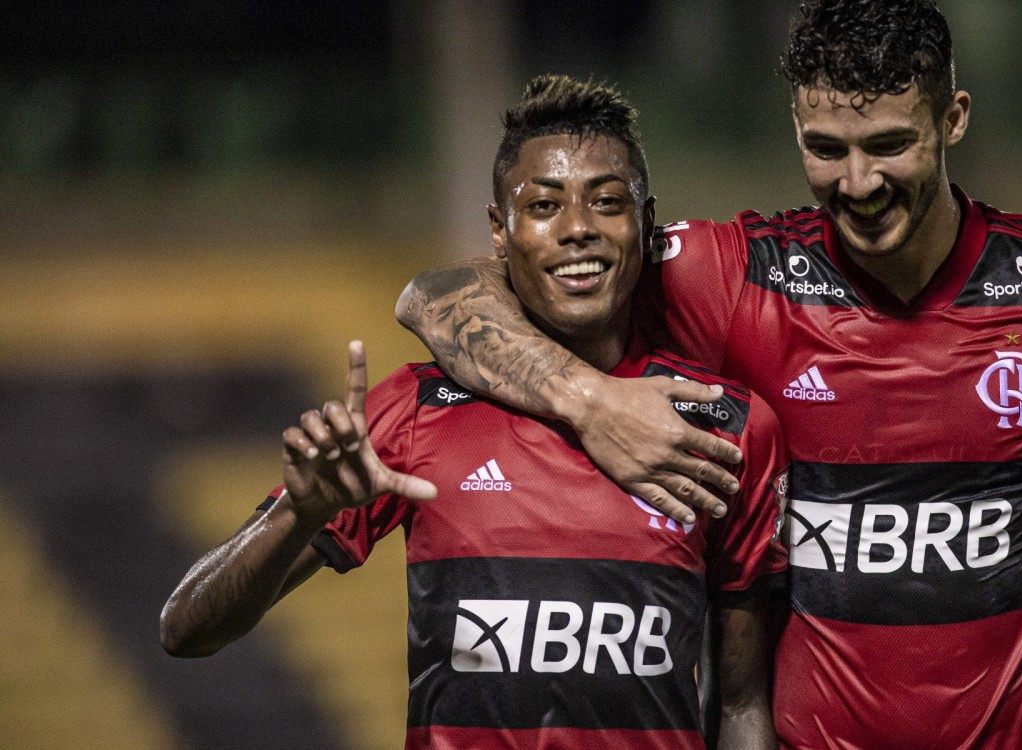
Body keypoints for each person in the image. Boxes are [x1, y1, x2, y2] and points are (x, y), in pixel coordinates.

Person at [394, 2, 1022, 748]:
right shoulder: (735, 279)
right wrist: (590, 400)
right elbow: (436, 296)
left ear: (951, 119)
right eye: (826, 149)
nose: (858, 182)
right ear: (796, 131)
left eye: (889, 144)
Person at [160, 75, 791, 750]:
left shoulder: (724, 425)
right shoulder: (417, 408)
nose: (577, 229)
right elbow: (187, 628)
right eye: (544, 205)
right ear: (499, 230)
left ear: (645, 220)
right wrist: (299, 515)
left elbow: (743, 705)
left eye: (607, 203)